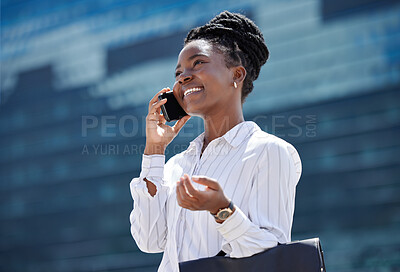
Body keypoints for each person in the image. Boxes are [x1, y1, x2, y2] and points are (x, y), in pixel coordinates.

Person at [129, 11, 302, 272]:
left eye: (198, 63)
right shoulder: (177, 165)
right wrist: (154, 150)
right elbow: (150, 241)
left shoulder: (269, 151)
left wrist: (222, 209)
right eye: (179, 72)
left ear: (237, 75)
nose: (183, 77)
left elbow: (273, 256)